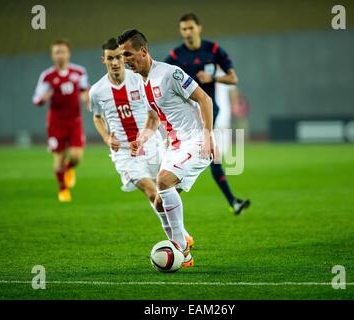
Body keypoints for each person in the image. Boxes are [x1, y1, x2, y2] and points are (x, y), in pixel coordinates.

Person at [118, 29, 216, 267]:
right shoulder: (142, 83)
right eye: (122, 56)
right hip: (174, 146)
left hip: (195, 140)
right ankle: (184, 252)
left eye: (128, 54)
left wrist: (207, 135)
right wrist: (141, 139)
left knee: (162, 181)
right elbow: (153, 118)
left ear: (143, 51)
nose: (125, 60)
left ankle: (180, 247)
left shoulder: (170, 73)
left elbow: (205, 99)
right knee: (159, 202)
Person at [90, 37, 194, 246]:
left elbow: (152, 113)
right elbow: (97, 117)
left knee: (164, 188)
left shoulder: (138, 78)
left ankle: (178, 237)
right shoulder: (96, 91)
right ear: (104, 60)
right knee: (150, 189)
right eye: (110, 58)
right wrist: (107, 137)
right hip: (124, 152)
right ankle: (179, 237)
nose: (116, 62)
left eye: (119, 56)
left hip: (152, 143)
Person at [165, 13, 250, 215]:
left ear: (199, 28)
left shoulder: (213, 50)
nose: (188, 32)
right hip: (186, 117)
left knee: (213, 155)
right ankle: (168, 199)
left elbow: (233, 78)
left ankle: (231, 201)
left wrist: (212, 78)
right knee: (211, 156)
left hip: (209, 111)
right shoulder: (175, 56)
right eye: (184, 29)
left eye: (191, 28)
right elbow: (163, 81)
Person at [32, 39, 90, 202]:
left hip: (75, 121)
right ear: (52, 55)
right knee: (58, 156)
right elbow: (36, 99)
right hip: (56, 123)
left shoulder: (79, 72)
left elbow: (85, 90)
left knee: (76, 157)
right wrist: (42, 98)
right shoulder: (47, 76)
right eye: (57, 52)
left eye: (62, 51)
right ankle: (63, 190)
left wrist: (86, 99)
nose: (60, 55)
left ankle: (69, 168)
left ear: (68, 53)